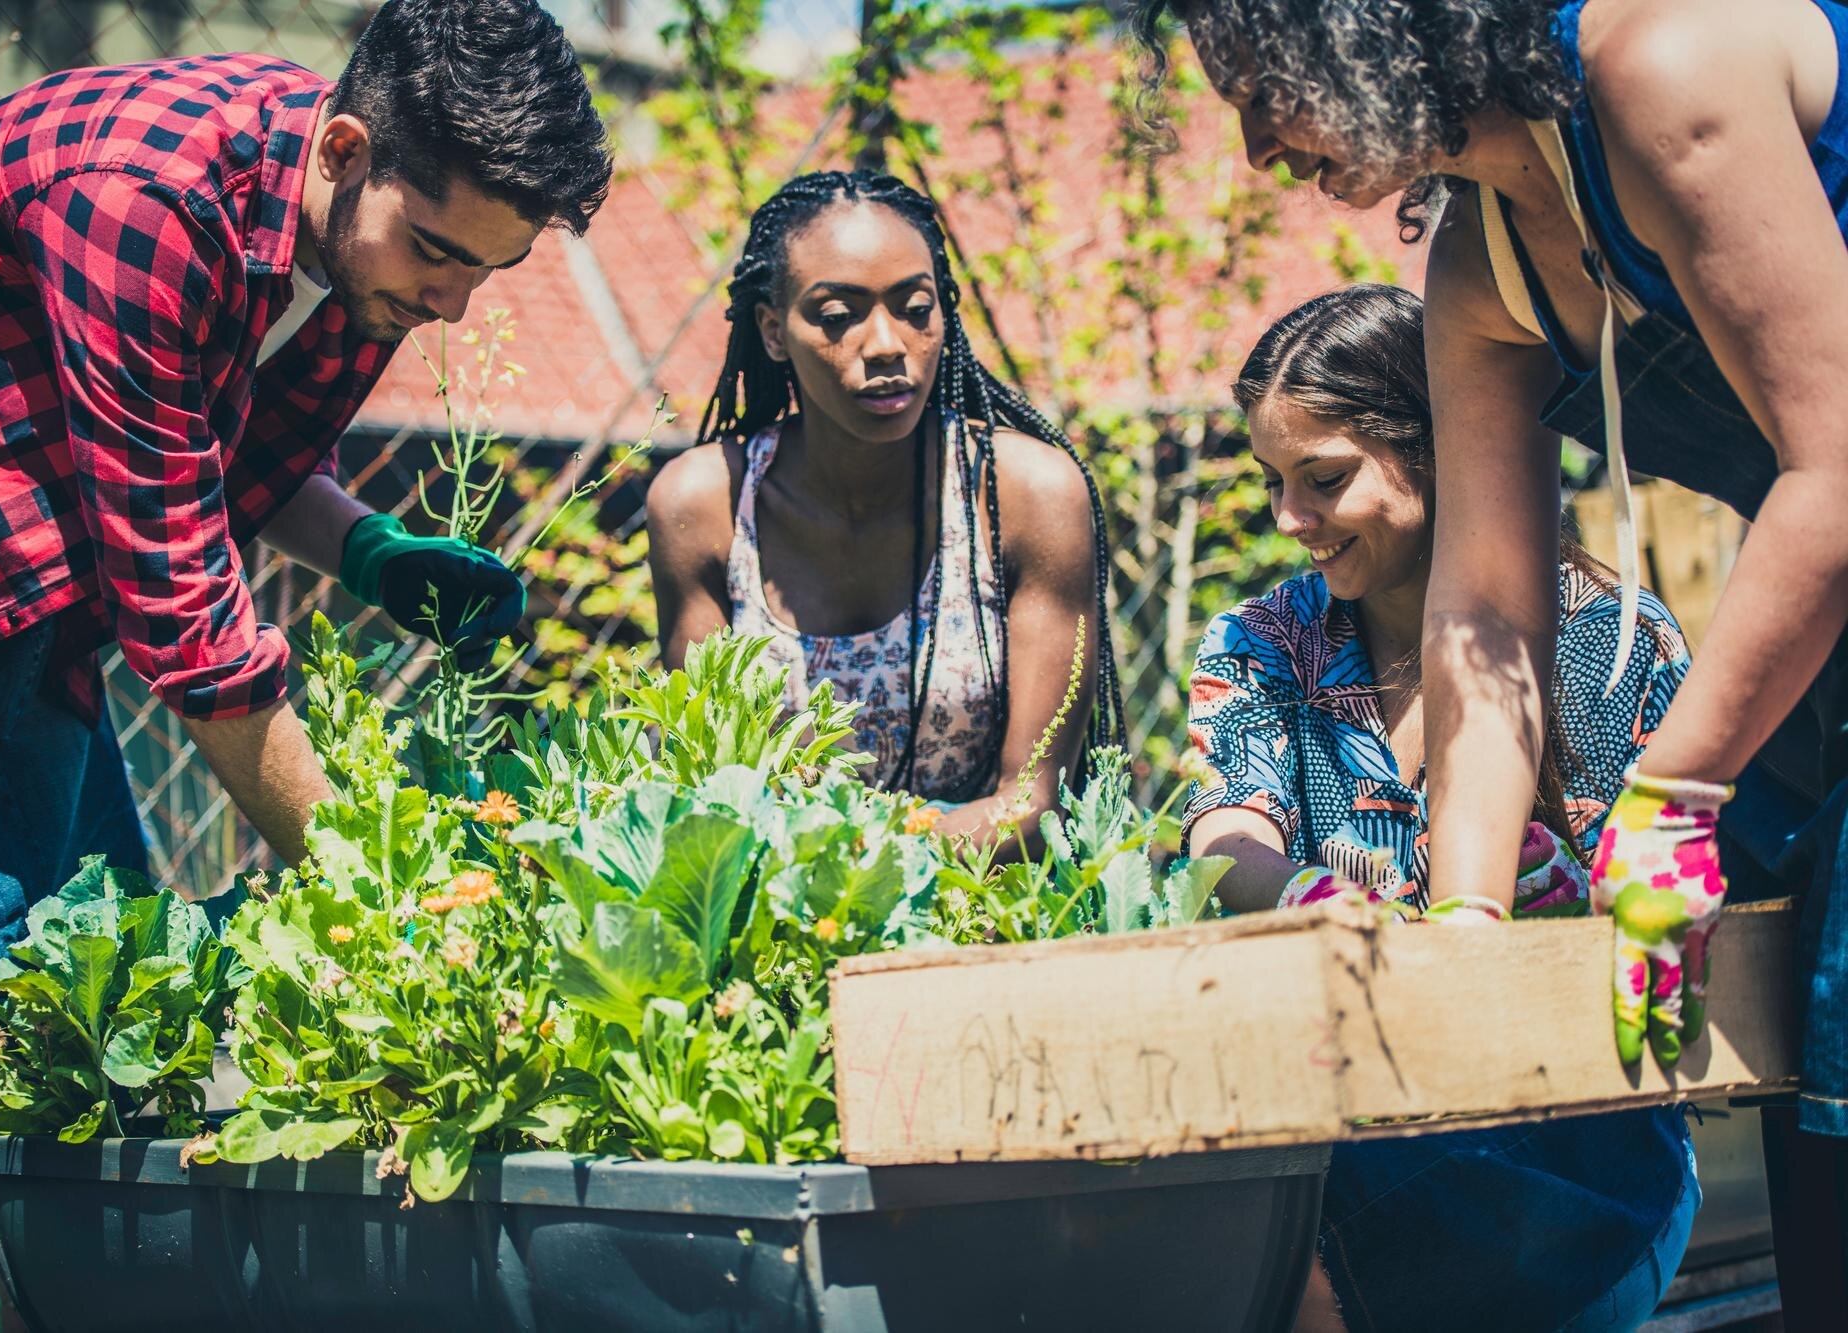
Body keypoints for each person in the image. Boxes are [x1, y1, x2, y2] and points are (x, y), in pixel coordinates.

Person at [0, 0, 610, 1323]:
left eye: (486, 271)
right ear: (350, 148)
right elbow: (189, 627)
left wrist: (365, 546)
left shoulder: (347, 227)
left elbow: (212, 449)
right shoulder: (144, 197)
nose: (449, 301)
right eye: (439, 254)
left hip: (27, 585)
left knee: (82, 1006)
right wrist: (380, 883)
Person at [1137, 0, 1848, 1316]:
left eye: (1258, 88)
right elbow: (1486, 625)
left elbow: (1840, 466)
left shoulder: (1661, 63)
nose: (1252, 149)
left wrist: (1671, 794)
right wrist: (1462, 927)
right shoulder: (1478, 256)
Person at [1186, 284, 1698, 1332]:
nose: (1289, 521)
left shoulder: (1606, 645)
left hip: (1579, 1139)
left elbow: (1659, 927)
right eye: (1272, 483)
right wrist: (1299, 894)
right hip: (1341, 1108)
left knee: (1282, 1263)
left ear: (1435, 443)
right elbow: (1224, 834)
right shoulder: (1262, 642)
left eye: (1321, 479)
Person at [647, 169, 1124, 841]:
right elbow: (703, 782)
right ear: (774, 330)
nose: (886, 344)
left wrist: (858, 871)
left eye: (915, 308)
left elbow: (1032, 805)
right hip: (776, 922)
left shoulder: (1025, 496)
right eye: (838, 316)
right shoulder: (707, 506)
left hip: (988, 914)